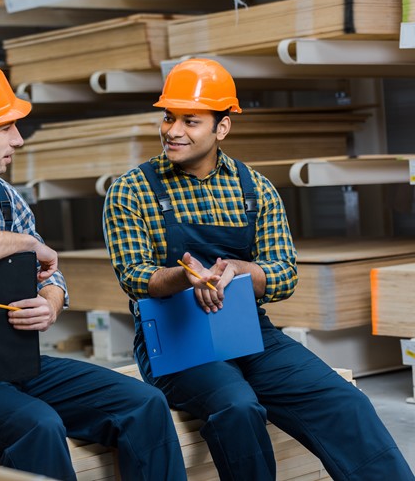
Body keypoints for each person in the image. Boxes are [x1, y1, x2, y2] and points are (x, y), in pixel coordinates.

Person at [103, 57, 415, 481]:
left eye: (190, 121)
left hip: (249, 330)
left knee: (345, 401)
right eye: (168, 117)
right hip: (172, 338)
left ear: (222, 127)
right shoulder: (132, 189)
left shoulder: (255, 188)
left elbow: (284, 273)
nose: (173, 131)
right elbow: (133, 274)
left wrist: (238, 271)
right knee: (237, 406)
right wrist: (186, 277)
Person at [0, 58, 187, 481]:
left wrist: (51, 302)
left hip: (12, 360)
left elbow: (50, 273)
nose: (18, 140)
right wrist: (26, 244)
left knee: (144, 404)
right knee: (37, 425)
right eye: (6, 127)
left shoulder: (5, 198)